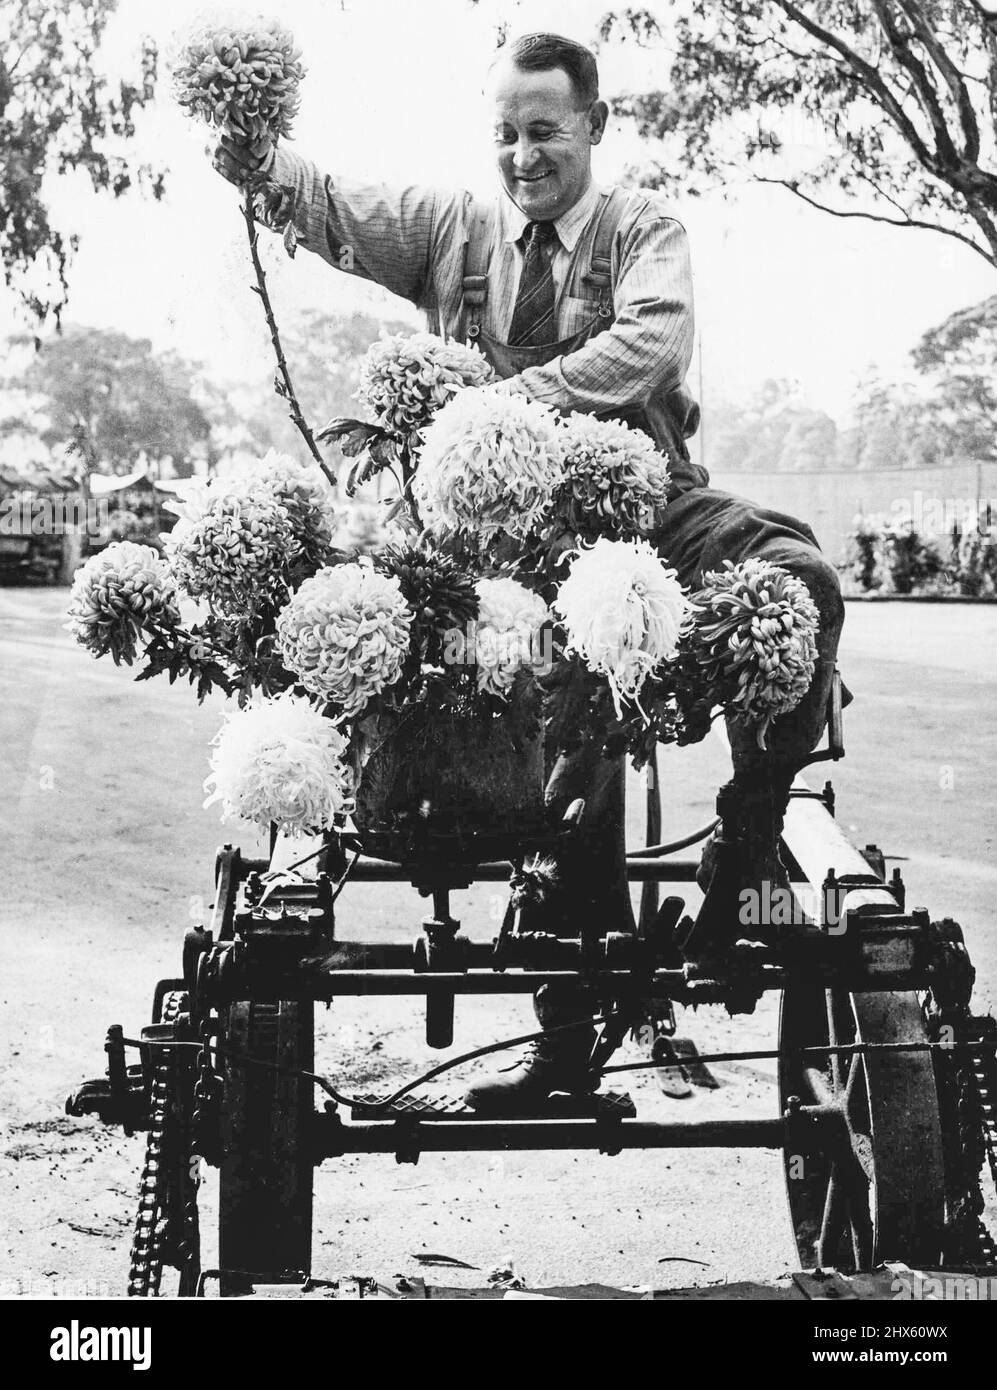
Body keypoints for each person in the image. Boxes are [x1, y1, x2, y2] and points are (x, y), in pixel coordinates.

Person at [213, 31, 846, 1111]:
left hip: (647, 501)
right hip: (494, 540)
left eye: (544, 130)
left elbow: (653, 341)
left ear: (594, 127)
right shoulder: (448, 233)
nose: (521, 154)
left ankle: (744, 844)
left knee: (803, 578)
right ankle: (566, 1035)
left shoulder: (643, 229)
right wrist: (254, 155)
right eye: (503, 132)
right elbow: (329, 205)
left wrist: (506, 405)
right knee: (561, 689)